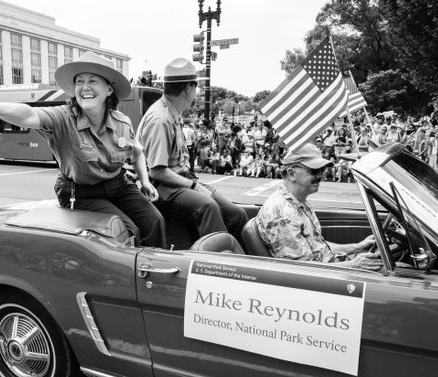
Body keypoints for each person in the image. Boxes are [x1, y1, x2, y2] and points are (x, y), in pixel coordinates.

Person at [0, 51, 165, 248]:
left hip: (117, 184)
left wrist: (145, 181)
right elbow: (28, 115)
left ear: (109, 90)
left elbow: (137, 151)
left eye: (93, 81)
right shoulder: (63, 118)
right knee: (127, 231)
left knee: (155, 220)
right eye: (79, 82)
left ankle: (158, 271)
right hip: (81, 192)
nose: (85, 87)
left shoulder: (122, 122)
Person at [137, 57, 248, 242]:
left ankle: (240, 261)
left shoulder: (173, 113)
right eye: (196, 87)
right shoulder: (160, 119)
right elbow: (157, 171)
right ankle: (217, 265)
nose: (196, 92)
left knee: (236, 214)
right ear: (188, 88)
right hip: (160, 187)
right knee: (208, 207)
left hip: (179, 179)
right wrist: (195, 186)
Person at [254, 143, 383, 270]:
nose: (321, 175)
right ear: (292, 174)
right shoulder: (282, 213)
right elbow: (302, 270)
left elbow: (318, 247)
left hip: (332, 266)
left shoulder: (299, 203)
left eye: (322, 170)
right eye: (314, 170)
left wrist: (358, 247)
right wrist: (353, 265)